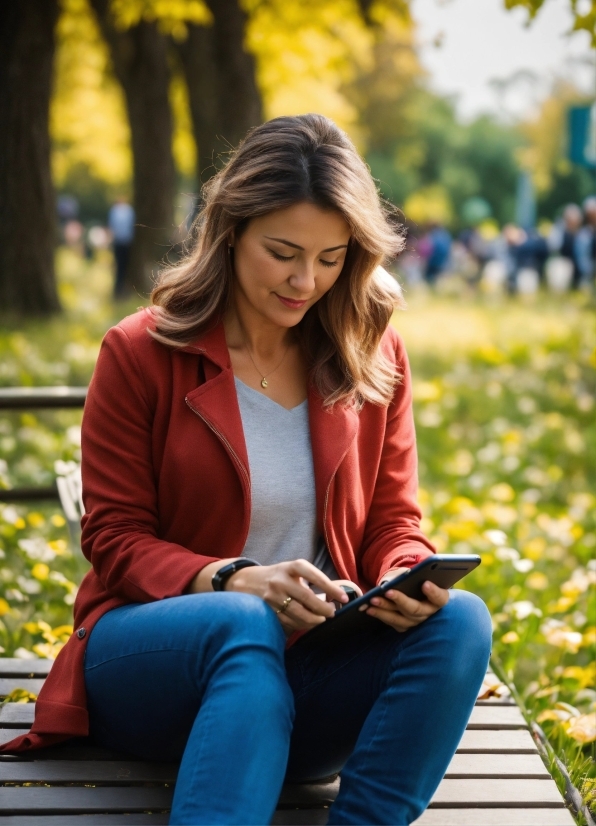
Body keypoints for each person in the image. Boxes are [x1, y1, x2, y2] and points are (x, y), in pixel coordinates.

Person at [1, 115, 492, 826]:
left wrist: (401, 574)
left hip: (309, 681)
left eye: (331, 258)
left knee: (462, 622)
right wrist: (233, 576)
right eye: (283, 252)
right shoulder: (140, 353)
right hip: (154, 665)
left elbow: (394, 518)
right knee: (242, 623)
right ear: (229, 230)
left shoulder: (372, 352)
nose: (306, 280)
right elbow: (114, 539)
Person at [107, 195, 135, 298]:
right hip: (125, 242)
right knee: (122, 266)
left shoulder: (115, 211)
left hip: (119, 242)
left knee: (120, 266)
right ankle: (120, 289)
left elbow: (112, 227)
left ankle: (119, 289)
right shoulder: (129, 210)